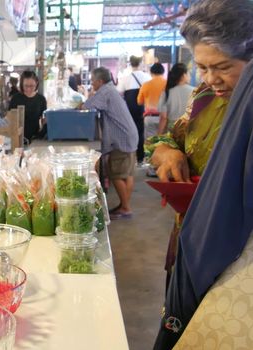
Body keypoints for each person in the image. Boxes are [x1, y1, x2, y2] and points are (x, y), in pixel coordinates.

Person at [151, 0, 253, 347]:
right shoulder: (204, 96)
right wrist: (167, 151)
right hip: (189, 235)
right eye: (202, 67)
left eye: (223, 67)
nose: (211, 79)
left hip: (234, 256)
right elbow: (165, 137)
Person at [80, 67, 138, 219]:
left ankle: (125, 208)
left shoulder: (105, 91)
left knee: (117, 174)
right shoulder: (111, 90)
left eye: (93, 81)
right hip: (129, 136)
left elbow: (87, 106)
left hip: (121, 139)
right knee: (127, 174)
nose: (92, 84)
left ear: (100, 81)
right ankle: (124, 205)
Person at [117, 55, 150, 163]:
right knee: (141, 132)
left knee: (129, 132)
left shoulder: (125, 78)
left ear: (130, 64)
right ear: (140, 63)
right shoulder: (146, 77)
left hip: (129, 110)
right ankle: (140, 157)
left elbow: (118, 92)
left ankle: (130, 157)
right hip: (143, 109)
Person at [9, 70, 47, 142]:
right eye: (26, 86)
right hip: (17, 138)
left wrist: (40, 135)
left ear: (37, 84)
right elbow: (9, 119)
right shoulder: (15, 99)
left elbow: (44, 120)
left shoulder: (41, 100)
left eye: (32, 86)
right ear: (21, 84)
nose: (29, 89)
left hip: (35, 139)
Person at [156, 64, 193, 135]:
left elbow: (163, 117)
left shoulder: (166, 92)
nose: (190, 77)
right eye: (189, 74)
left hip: (172, 130)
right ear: (183, 75)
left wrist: (159, 134)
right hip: (190, 129)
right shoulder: (195, 91)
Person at [138, 63, 166, 139]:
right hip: (165, 118)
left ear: (151, 73)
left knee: (150, 144)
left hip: (150, 117)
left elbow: (139, 102)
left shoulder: (145, 85)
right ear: (163, 72)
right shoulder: (169, 84)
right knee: (164, 143)